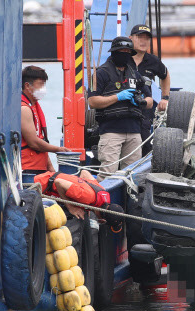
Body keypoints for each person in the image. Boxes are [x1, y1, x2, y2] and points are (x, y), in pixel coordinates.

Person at [88, 37, 153, 181]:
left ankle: (127, 202)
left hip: (134, 132)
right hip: (111, 132)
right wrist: (118, 97)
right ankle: (102, 201)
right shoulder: (101, 74)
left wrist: (141, 103)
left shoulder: (135, 75)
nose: (124, 54)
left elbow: (150, 101)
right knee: (107, 174)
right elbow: (92, 101)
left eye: (127, 51)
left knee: (132, 175)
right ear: (113, 52)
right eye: (121, 51)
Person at [130, 24, 171, 156]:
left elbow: (165, 75)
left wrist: (165, 98)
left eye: (147, 38)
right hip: (123, 110)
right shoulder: (122, 58)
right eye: (139, 37)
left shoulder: (153, 61)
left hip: (145, 111)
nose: (143, 41)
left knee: (145, 145)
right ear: (131, 38)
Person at [34, 170, 124, 230]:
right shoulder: (88, 197)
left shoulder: (103, 194)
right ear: (102, 221)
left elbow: (84, 173)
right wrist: (71, 207)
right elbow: (59, 182)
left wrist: (85, 206)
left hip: (48, 177)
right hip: (38, 185)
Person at [21, 66, 70, 174]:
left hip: (40, 167)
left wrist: (51, 169)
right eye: (41, 84)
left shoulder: (33, 105)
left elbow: (41, 140)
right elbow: (34, 142)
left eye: (44, 84)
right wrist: (58, 149)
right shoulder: (24, 109)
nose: (43, 88)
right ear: (27, 86)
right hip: (28, 169)